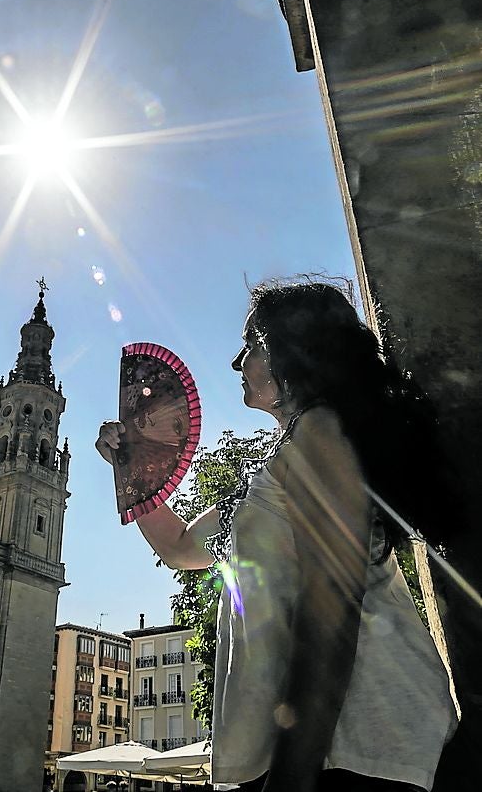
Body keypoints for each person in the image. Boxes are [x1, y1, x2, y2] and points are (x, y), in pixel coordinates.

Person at [96, 281, 457, 792]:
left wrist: (293, 774)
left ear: (287, 351)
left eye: (250, 346)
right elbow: (179, 549)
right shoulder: (273, 468)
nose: (236, 362)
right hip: (315, 749)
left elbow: (331, 607)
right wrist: (132, 463)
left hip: (362, 744)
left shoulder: (320, 433)